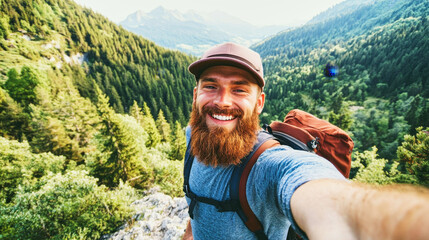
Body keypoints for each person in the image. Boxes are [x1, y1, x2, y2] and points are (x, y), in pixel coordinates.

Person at [182, 42, 429, 240]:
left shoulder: (268, 166)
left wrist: (381, 219)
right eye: (211, 86)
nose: (222, 101)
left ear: (259, 103)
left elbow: (319, 189)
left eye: (239, 89)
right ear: (196, 95)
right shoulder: (194, 135)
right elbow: (199, 203)